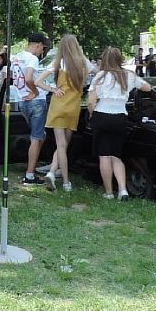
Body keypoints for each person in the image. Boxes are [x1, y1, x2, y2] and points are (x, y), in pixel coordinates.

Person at [88, 47, 151, 200]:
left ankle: (109, 192)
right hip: (120, 118)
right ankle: (123, 190)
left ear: (105, 60)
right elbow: (148, 88)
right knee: (116, 156)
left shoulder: (100, 76)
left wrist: (92, 115)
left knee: (104, 156)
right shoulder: (129, 75)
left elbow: (91, 101)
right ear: (120, 59)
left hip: (102, 115)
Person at [35, 34, 95, 192]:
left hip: (58, 105)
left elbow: (37, 81)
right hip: (72, 107)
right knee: (64, 145)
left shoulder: (58, 62)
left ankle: (61, 178)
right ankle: (57, 175)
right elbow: (97, 73)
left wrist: (53, 89)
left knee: (60, 145)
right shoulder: (83, 62)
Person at [11, 32, 51, 185]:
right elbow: (28, 78)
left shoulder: (17, 57)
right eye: (43, 48)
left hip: (22, 101)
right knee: (36, 137)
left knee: (40, 135)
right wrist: (34, 92)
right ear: (38, 44)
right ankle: (29, 175)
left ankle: (33, 164)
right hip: (36, 101)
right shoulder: (32, 58)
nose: (42, 51)